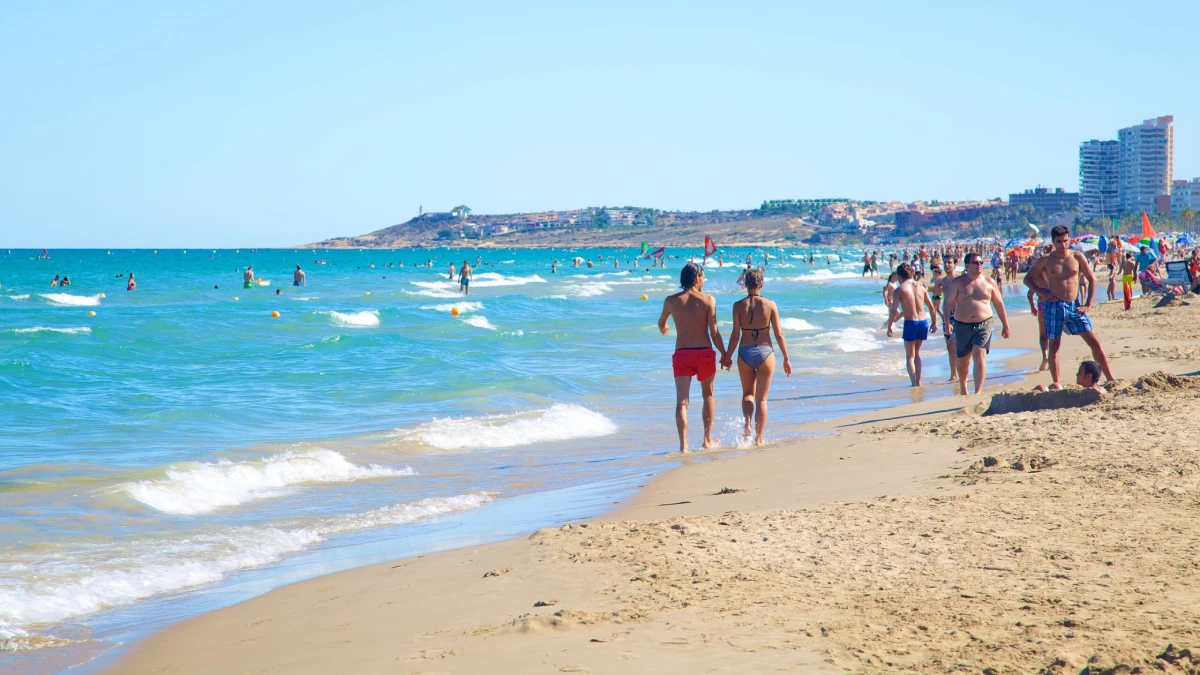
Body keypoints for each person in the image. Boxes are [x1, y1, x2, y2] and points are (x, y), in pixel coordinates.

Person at [1023, 224, 1115, 389]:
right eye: (1059, 241)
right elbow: (1028, 279)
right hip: (1054, 305)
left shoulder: (1077, 256)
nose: (1063, 245)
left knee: (1094, 341)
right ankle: (1057, 382)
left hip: (1074, 305)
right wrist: (1042, 292)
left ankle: (1110, 378)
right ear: (1053, 241)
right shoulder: (1046, 260)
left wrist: (1088, 303)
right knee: (1055, 345)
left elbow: (1092, 279)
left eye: (1065, 241)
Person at [657, 262, 726, 453]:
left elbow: (661, 322)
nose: (704, 281)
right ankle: (706, 440)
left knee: (682, 402)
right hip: (704, 352)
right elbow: (714, 333)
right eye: (703, 278)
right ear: (697, 278)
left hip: (682, 354)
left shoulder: (671, 301)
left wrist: (665, 327)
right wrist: (725, 354)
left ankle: (684, 446)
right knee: (708, 395)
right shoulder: (708, 300)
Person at [722, 268, 791, 444]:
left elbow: (735, 335)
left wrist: (727, 356)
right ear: (762, 284)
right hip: (765, 352)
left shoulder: (737, 306)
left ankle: (747, 423)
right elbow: (779, 333)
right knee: (762, 399)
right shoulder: (770, 305)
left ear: (745, 284)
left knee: (747, 394)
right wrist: (786, 358)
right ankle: (759, 439)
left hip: (744, 352)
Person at [943, 252, 1011, 395]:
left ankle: (978, 391)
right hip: (962, 324)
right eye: (975, 263)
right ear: (967, 265)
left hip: (984, 323)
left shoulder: (989, 282)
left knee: (979, 353)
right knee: (963, 360)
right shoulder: (958, 282)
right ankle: (963, 386)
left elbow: (999, 304)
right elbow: (947, 303)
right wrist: (947, 323)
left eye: (980, 262)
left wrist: (1006, 325)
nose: (979, 265)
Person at [886, 263, 936, 387]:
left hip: (911, 322)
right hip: (923, 322)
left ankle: (914, 382)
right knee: (917, 353)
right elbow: (931, 307)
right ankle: (918, 381)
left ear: (898, 276)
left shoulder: (900, 289)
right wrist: (934, 322)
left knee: (910, 356)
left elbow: (893, 310)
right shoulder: (921, 287)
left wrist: (889, 326)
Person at [1035, 360, 1106, 397]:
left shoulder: (1093, 393)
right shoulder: (1099, 389)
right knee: (1055, 385)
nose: (1077, 375)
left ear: (1088, 376)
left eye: (1079, 373)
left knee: (1041, 388)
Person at [1027, 288, 1049, 370]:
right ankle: (1052, 360)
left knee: (1043, 335)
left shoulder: (1037, 276)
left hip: (1042, 304)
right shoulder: (1055, 275)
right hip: (1055, 304)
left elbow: (1030, 294)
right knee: (1054, 335)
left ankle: (1045, 356)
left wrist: (1032, 306)